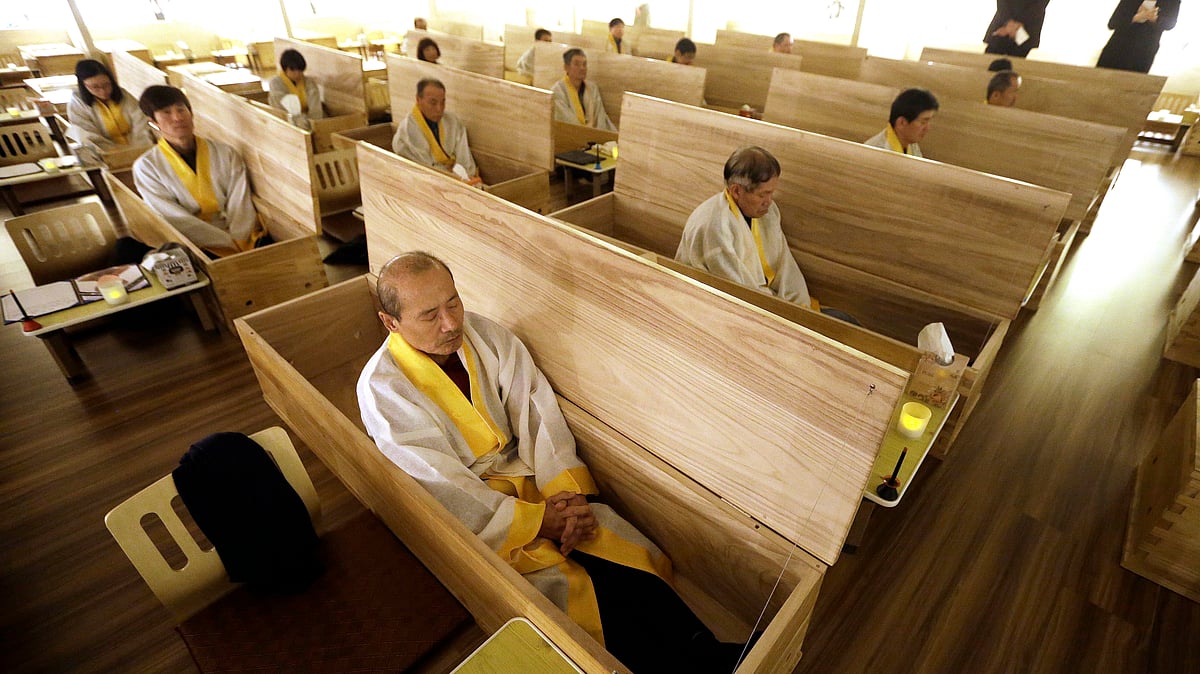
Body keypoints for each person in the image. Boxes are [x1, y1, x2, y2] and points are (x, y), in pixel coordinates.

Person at [357, 252, 750, 673]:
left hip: (535, 479)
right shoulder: (383, 389)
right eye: (430, 315)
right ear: (390, 322)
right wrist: (536, 522)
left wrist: (566, 496)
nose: (451, 323)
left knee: (617, 553)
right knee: (573, 592)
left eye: (453, 302)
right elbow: (439, 481)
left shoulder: (488, 337)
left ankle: (705, 649)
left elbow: (536, 413)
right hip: (479, 515)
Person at [133, 85, 265, 258]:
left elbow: (240, 202)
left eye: (181, 109)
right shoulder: (146, 167)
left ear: (191, 113)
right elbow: (173, 216)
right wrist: (223, 241)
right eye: (166, 112)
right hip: (194, 243)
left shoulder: (226, 153)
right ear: (153, 121)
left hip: (241, 237)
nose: (177, 117)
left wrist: (239, 239)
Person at [675, 147, 813, 309]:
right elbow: (737, 292)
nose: (769, 201)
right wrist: (781, 311)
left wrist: (801, 307)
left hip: (765, 299)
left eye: (771, 193)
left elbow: (786, 267)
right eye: (762, 194)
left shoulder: (769, 212)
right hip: (711, 305)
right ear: (736, 191)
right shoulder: (714, 226)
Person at [392, 78, 481, 186]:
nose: (439, 109)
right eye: (433, 103)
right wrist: (451, 174)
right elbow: (425, 168)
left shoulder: (452, 121)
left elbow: (465, 158)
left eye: (442, 102)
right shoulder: (408, 130)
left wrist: (464, 175)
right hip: (424, 184)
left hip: (458, 179)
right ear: (418, 100)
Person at [66, 59, 154, 159]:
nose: (103, 91)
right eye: (95, 87)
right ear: (83, 86)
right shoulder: (78, 102)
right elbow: (88, 134)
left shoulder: (123, 95)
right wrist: (115, 153)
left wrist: (137, 150)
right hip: (106, 152)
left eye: (106, 84)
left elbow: (140, 123)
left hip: (136, 145)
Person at [1096, 0, 1180, 73]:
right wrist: (1137, 17)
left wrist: (1154, 18)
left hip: (1145, 50)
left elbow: (1170, 24)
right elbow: (1113, 23)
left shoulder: (1172, 1)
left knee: (1132, 85)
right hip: (1118, 46)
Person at [551, 49, 617, 131]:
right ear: (566, 67)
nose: (582, 68)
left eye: (584, 64)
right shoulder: (558, 90)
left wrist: (598, 135)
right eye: (577, 64)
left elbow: (600, 116)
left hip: (594, 136)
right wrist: (584, 133)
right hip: (570, 136)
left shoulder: (592, 88)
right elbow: (564, 118)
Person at [863, 88, 938, 157]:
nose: (927, 128)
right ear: (901, 123)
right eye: (923, 122)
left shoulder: (911, 143)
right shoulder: (874, 153)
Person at [267, 48, 324, 130]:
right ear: (285, 69)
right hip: (287, 118)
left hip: (307, 117)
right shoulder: (276, 83)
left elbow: (315, 107)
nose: (297, 74)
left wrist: (314, 123)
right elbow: (281, 107)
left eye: (300, 71)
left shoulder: (309, 82)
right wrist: (299, 120)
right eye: (293, 70)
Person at [983, 0, 1051, 57]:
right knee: (990, 61)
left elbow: (1039, 5)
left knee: (1016, 63)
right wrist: (1009, 22)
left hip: (1026, 27)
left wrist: (1014, 24)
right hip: (1004, 23)